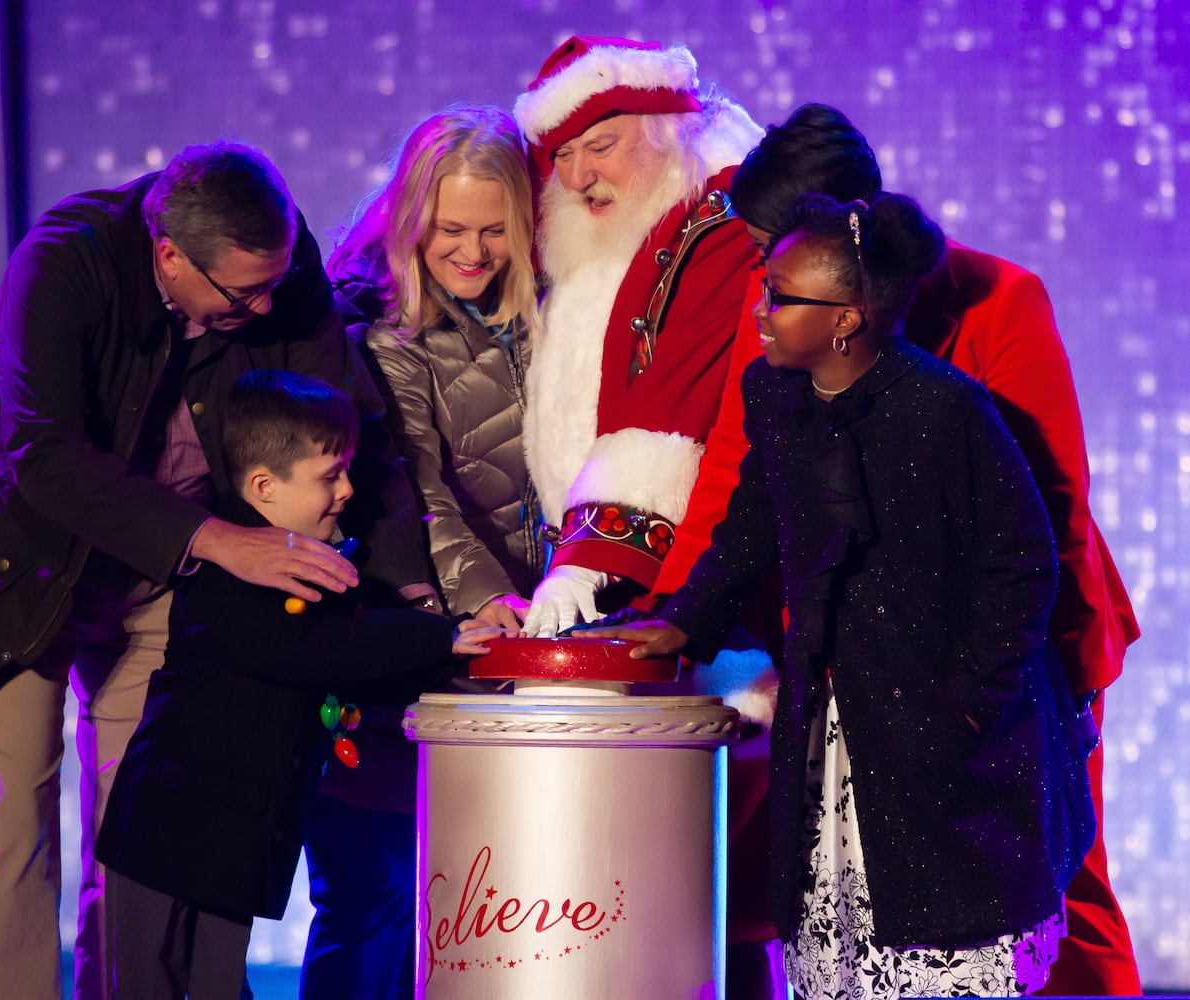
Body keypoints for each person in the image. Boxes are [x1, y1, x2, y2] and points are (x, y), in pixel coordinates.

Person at [0, 140, 432, 1000]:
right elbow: (46, 456)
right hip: (18, 566)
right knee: (19, 805)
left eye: (273, 284)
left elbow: (349, 425)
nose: (264, 305)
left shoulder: (278, 271)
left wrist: (406, 584)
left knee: (139, 824)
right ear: (169, 255)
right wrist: (222, 540)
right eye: (241, 292)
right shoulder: (64, 261)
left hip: (160, 580)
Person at [651, 103, 1142, 997]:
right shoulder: (780, 318)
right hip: (867, 656)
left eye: (779, 250)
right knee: (851, 892)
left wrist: (1032, 687)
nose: (759, 276)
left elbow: (1051, 512)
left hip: (1012, 645)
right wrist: (677, 623)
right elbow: (739, 483)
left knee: (1055, 874)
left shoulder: (994, 303)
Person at [512, 36, 784, 995]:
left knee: (710, 889)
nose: (580, 173)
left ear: (668, 131)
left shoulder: (709, 229)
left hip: (701, 598)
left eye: (605, 143)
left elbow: (669, 421)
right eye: (565, 153)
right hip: (644, 599)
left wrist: (594, 567)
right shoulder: (622, 238)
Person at [94, 370, 504, 1000]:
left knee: (218, 984)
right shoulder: (225, 580)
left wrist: (462, 644)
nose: (346, 490)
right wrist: (439, 638)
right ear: (264, 486)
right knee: (148, 983)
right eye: (329, 475)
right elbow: (318, 651)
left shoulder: (318, 560)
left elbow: (362, 649)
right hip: (166, 829)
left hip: (232, 838)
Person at [300, 105, 542, 1000]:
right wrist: (478, 604)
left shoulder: (552, 315)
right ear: (410, 221)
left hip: (521, 649)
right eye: (450, 230)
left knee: (502, 902)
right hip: (406, 634)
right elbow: (419, 492)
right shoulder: (370, 331)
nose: (473, 252)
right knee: (376, 897)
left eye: (494, 231)